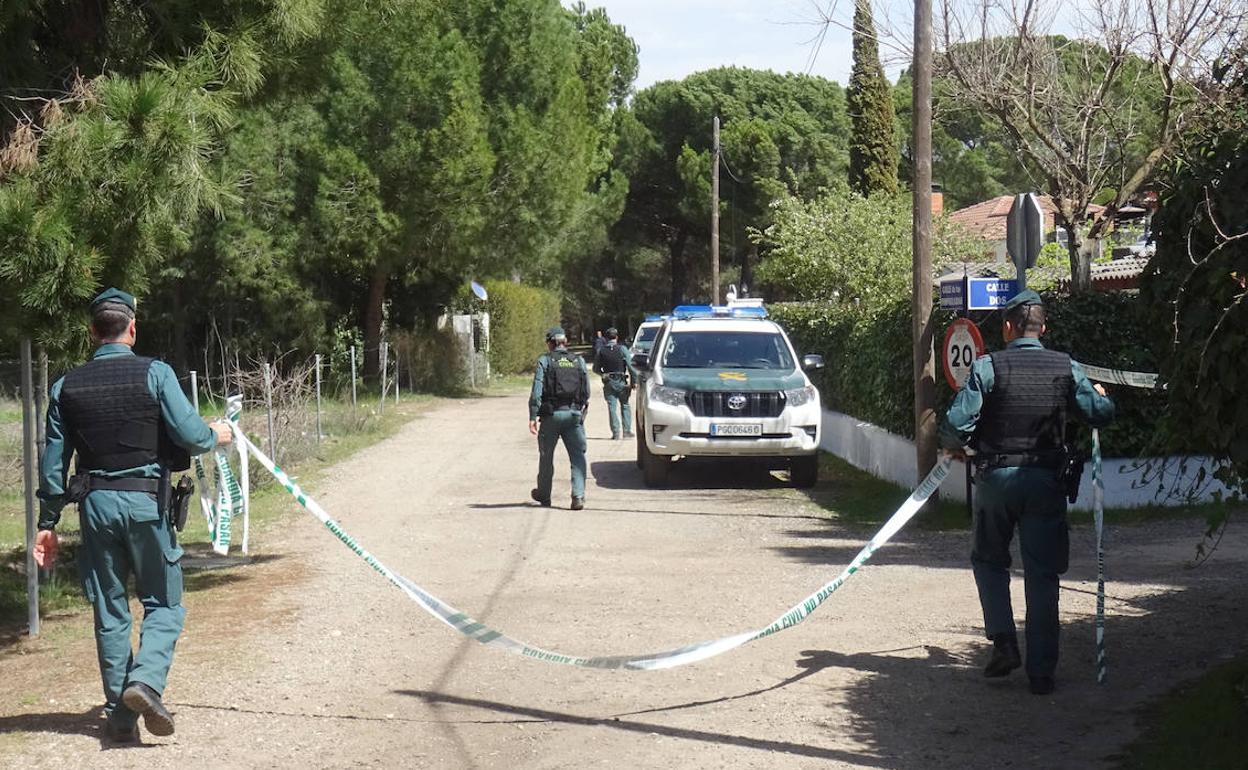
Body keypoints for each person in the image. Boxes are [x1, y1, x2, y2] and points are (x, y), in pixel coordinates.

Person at [33, 288, 232, 743]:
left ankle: (120, 718)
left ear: (92, 332)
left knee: (110, 609)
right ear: (132, 327)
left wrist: (47, 524)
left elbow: (53, 466)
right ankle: (144, 683)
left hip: (95, 506)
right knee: (163, 602)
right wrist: (215, 434)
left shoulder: (66, 387)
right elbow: (189, 433)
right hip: (146, 504)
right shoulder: (156, 374)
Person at [940, 289, 1115, 696]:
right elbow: (1099, 414)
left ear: (1007, 327)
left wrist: (957, 446)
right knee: (1042, 573)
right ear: (1043, 328)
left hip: (995, 480)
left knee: (988, 560)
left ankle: (1003, 642)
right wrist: (1104, 399)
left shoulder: (989, 367)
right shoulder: (1065, 367)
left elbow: (954, 425)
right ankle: (1042, 673)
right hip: (1045, 483)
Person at [528, 327, 590, 510]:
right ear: (565, 342)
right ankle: (578, 496)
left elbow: (537, 391)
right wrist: (580, 411)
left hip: (551, 416)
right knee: (578, 456)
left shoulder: (545, 361)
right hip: (574, 415)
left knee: (546, 457)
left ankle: (544, 495)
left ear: (550, 343)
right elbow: (586, 391)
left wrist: (533, 415)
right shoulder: (578, 361)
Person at [593, 327, 633, 440]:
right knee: (625, 405)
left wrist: (603, 375)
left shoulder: (601, 350)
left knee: (612, 407)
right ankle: (626, 431)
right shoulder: (622, 349)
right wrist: (634, 381)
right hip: (621, 380)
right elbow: (631, 367)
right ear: (616, 337)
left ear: (606, 338)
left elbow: (595, 368)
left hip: (608, 382)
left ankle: (616, 433)